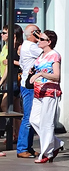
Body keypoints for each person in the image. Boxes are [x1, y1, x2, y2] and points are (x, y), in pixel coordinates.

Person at [29, 30, 64, 163]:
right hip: (38, 91)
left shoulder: (54, 55)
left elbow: (56, 76)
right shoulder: (41, 55)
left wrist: (41, 74)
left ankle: (46, 153)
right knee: (34, 120)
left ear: (49, 42)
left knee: (46, 123)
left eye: (42, 39)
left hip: (50, 91)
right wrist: (33, 71)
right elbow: (38, 69)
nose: (38, 41)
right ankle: (55, 143)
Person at [16, 24, 42, 158]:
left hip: (28, 85)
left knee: (31, 117)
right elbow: (48, 54)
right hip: (29, 86)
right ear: (33, 33)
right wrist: (43, 39)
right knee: (28, 117)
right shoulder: (32, 47)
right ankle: (22, 148)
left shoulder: (26, 46)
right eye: (38, 32)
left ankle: (28, 147)